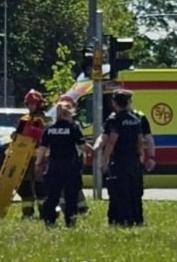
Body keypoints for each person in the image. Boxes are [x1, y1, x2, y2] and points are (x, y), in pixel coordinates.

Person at [98, 89, 154, 227]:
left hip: (119, 161)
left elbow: (111, 141)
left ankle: (121, 221)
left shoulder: (115, 119)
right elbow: (140, 141)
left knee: (119, 191)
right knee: (135, 191)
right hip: (133, 160)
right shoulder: (136, 119)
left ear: (114, 103)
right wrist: (141, 157)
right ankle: (137, 220)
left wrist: (104, 162)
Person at [33, 99, 90, 227]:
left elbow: (42, 150)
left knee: (52, 196)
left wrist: (38, 164)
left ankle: (49, 222)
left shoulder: (49, 130)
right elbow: (82, 146)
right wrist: (96, 151)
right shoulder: (73, 128)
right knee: (71, 196)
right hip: (70, 167)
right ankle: (70, 222)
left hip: (54, 166)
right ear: (67, 114)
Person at [17, 89, 50, 219]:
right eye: (29, 104)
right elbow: (17, 136)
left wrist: (39, 133)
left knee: (40, 186)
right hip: (24, 158)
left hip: (40, 158)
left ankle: (44, 212)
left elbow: (48, 138)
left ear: (40, 104)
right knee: (24, 185)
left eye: (33, 104)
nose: (31, 106)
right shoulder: (24, 120)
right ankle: (27, 213)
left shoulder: (46, 120)